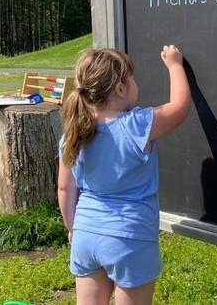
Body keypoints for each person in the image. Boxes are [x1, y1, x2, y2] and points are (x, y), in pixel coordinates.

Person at [57, 46, 191, 305]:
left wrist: (73, 229)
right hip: (130, 238)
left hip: (86, 235)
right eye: (132, 78)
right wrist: (175, 66)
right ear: (120, 88)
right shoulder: (137, 124)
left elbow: (65, 189)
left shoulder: (73, 135)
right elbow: (180, 107)